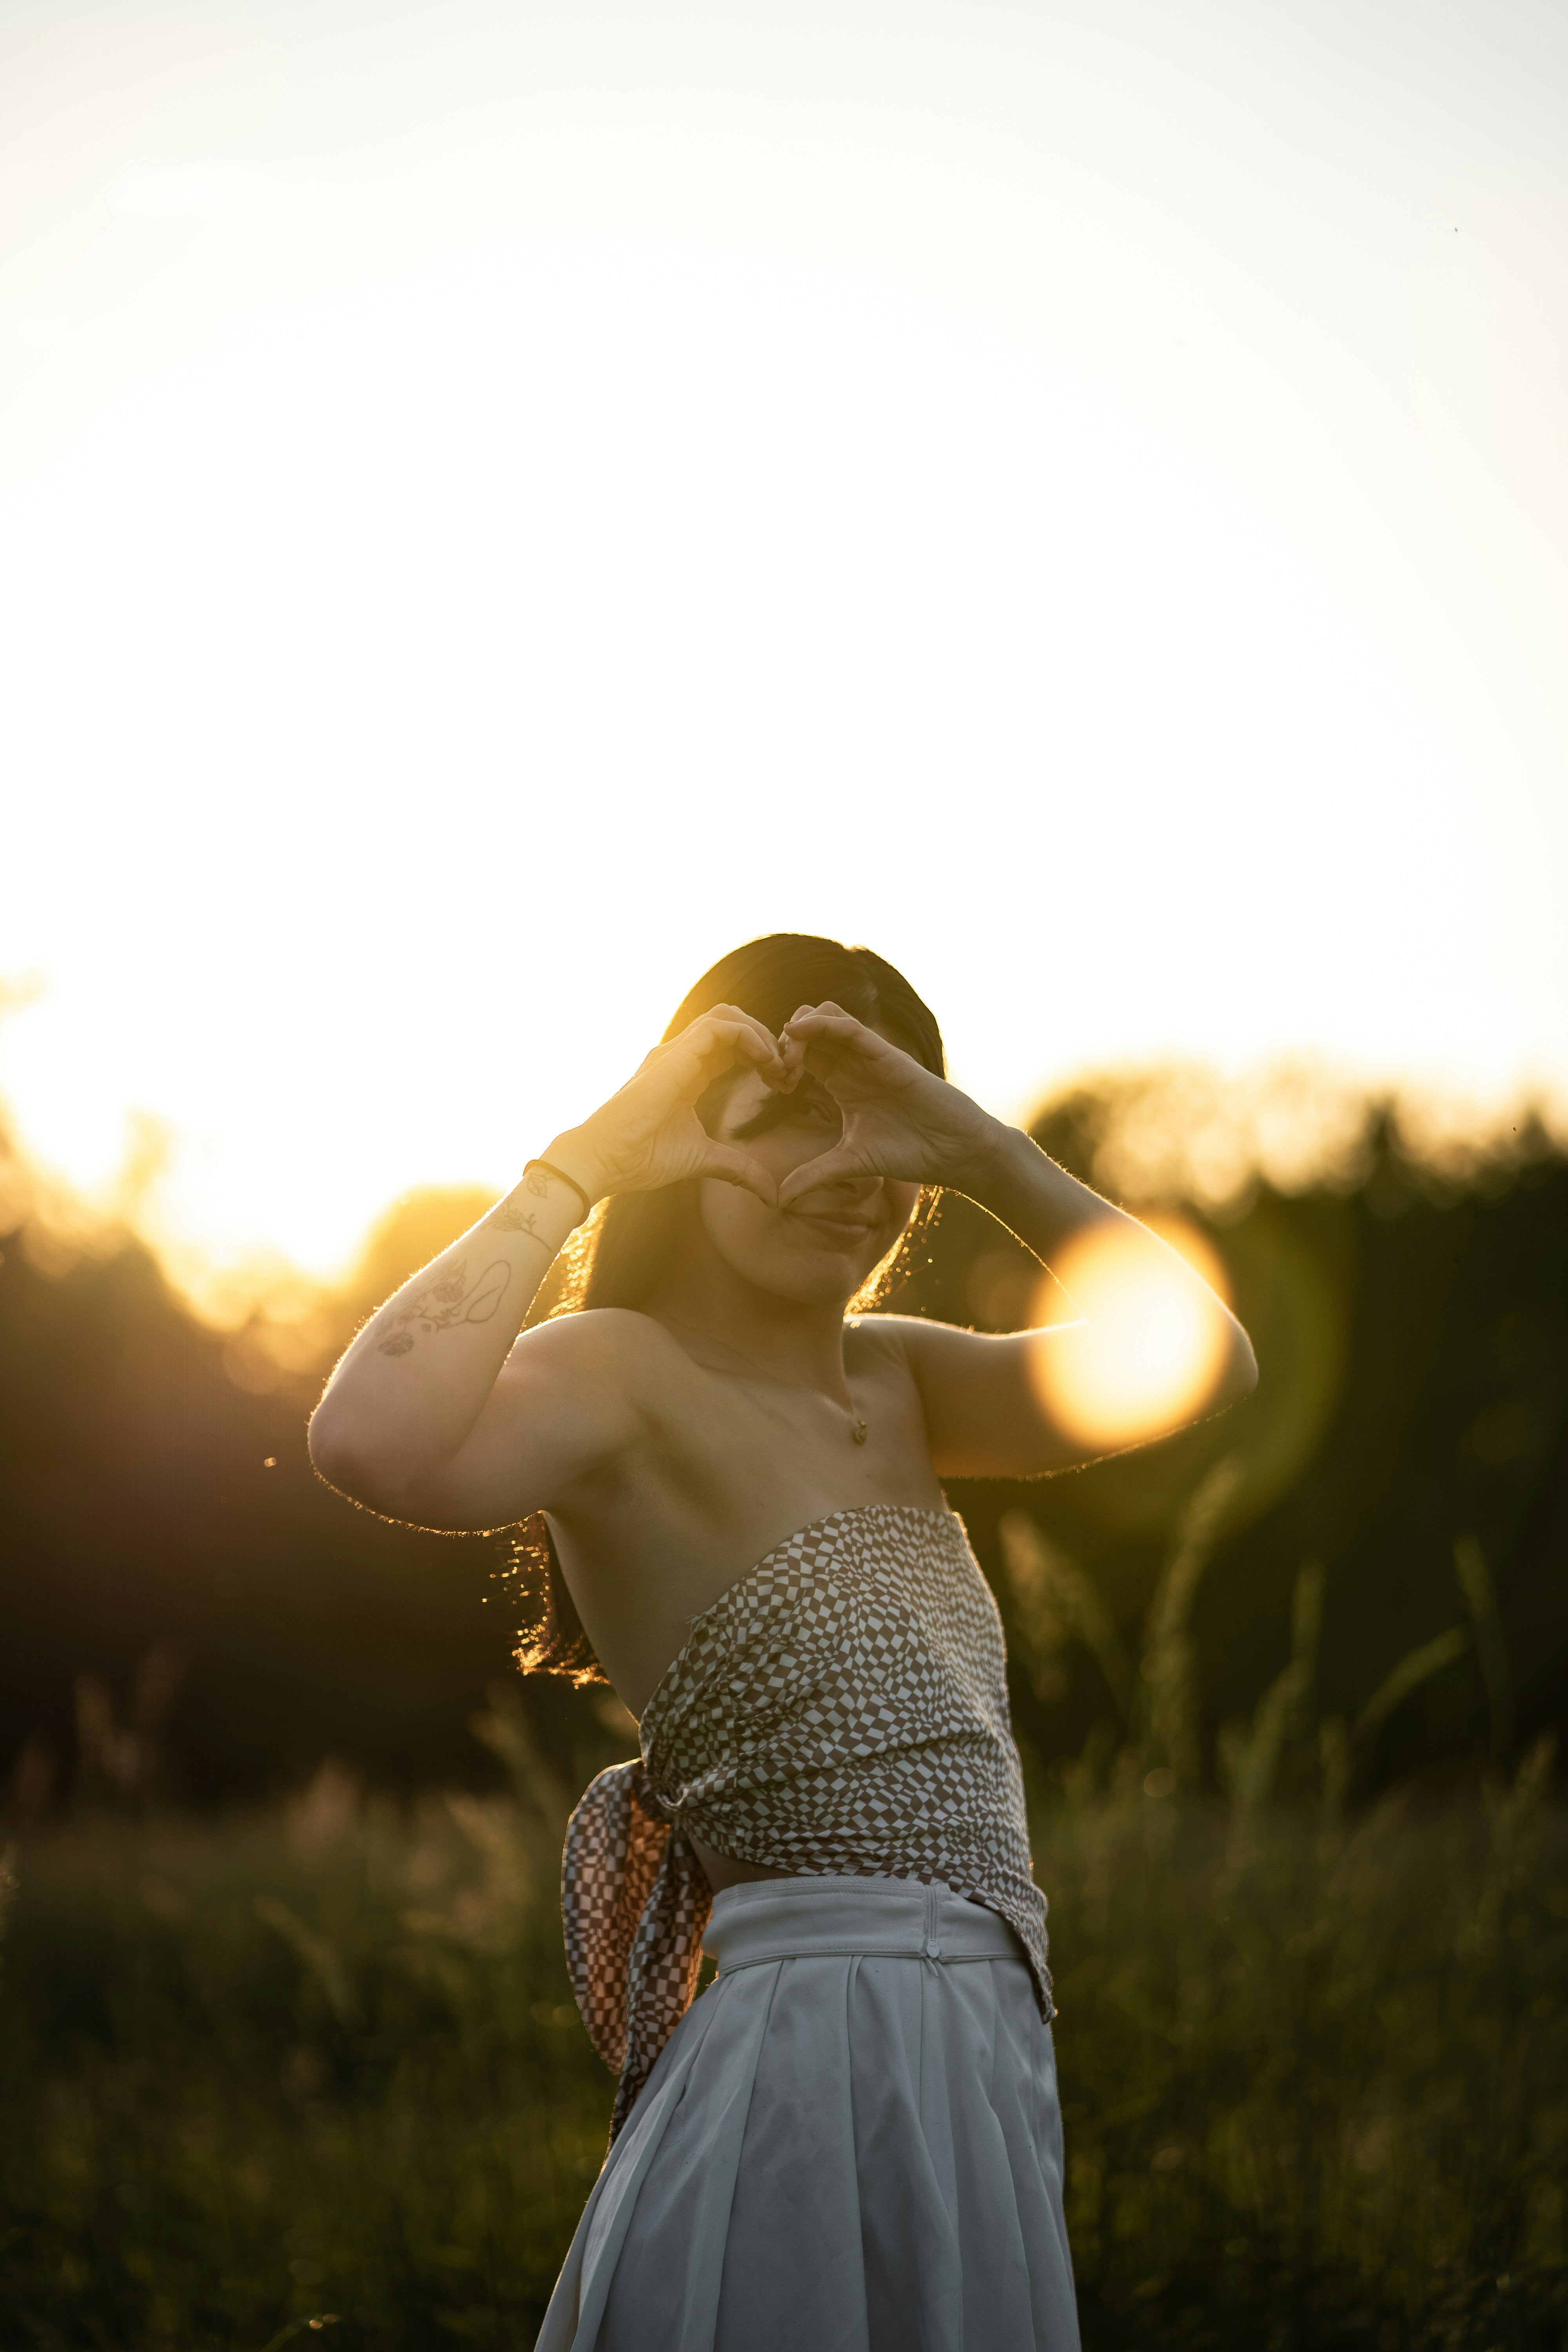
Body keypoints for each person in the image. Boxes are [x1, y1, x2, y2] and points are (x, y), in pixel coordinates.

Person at [309, 932, 1257, 2352]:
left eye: (883, 1134)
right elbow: (369, 1438)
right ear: (688, 1149)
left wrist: (983, 1148)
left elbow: (1201, 1365)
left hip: (985, 2048)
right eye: (789, 1125)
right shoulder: (617, 1370)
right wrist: (590, 1157)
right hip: (808, 2053)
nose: (846, 1173)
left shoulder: (905, 1377)